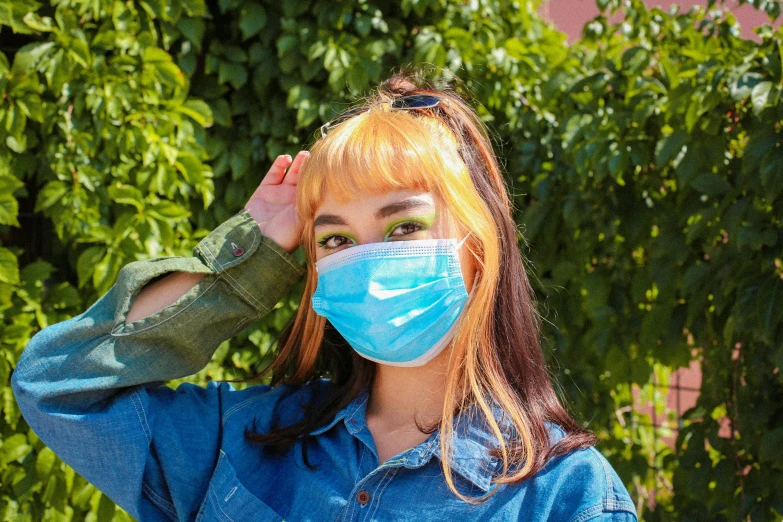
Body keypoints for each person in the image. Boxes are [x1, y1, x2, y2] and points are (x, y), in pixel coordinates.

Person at [12, 72, 638, 521]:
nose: (366, 260)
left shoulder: (568, 497)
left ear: (479, 245)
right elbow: (57, 384)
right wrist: (252, 252)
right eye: (335, 238)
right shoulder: (243, 439)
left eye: (404, 227)